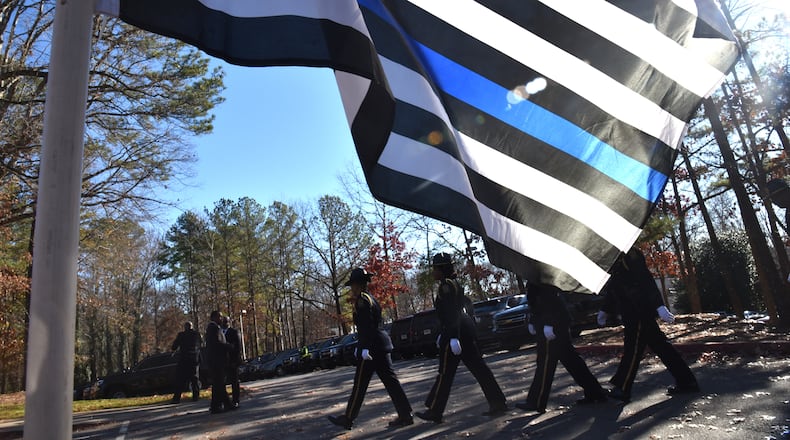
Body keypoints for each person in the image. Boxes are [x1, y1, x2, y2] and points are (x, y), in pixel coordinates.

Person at [598, 247, 699, 402]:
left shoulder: (630, 255)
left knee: (633, 348)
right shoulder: (617, 256)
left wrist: (659, 305)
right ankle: (686, 381)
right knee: (661, 347)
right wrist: (605, 309)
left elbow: (645, 280)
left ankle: (623, 387)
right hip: (632, 310)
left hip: (638, 310)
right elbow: (615, 287)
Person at [416, 253, 507, 423]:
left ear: (441, 269)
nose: (433, 272)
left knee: (445, 372)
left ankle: (435, 410)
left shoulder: (446, 286)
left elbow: (451, 313)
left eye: (435, 269)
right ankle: (498, 401)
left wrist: (451, 336)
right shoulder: (453, 283)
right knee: (478, 368)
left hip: (456, 332)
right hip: (462, 330)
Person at [328, 268, 413, 430]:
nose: (351, 288)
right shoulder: (370, 298)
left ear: (357, 284)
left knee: (360, 384)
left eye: (352, 285)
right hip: (380, 344)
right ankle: (405, 414)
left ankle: (348, 418)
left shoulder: (362, 300)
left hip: (372, 347)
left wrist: (364, 347)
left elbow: (367, 326)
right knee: (391, 382)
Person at [518, 283, 607, 414]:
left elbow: (550, 300)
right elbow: (537, 302)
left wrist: (549, 323)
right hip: (551, 323)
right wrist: (533, 320)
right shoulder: (536, 275)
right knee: (572, 361)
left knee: (545, 363)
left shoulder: (542, 276)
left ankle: (536, 401)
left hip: (551, 325)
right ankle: (595, 392)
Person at [205, 310, 233, 414]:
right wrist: (228, 346)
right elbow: (217, 343)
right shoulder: (213, 328)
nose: (221, 319)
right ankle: (224, 405)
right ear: (214, 317)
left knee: (218, 385)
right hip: (216, 361)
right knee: (219, 384)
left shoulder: (212, 328)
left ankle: (217, 405)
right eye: (219, 317)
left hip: (215, 361)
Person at [170, 321, 202, 403]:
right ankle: (195, 396)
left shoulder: (181, 335)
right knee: (195, 379)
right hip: (194, 359)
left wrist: (175, 349)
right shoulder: (197, 334)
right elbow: (200, 345)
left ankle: (176, 398)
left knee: (180, 379)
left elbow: (174, 346)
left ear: (185, 327)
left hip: (184, 359)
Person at [221, 316, 242, 408]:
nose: (224, 323)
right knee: (221, 382)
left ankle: (235, 400)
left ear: (229, 322)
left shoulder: (234, 332)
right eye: (223, 321)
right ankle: (225, 401)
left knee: (234, 381)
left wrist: (235, 360)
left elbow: (238, 348)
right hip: (222, 361)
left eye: (226, 321)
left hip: (232, 361)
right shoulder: (219, 332)